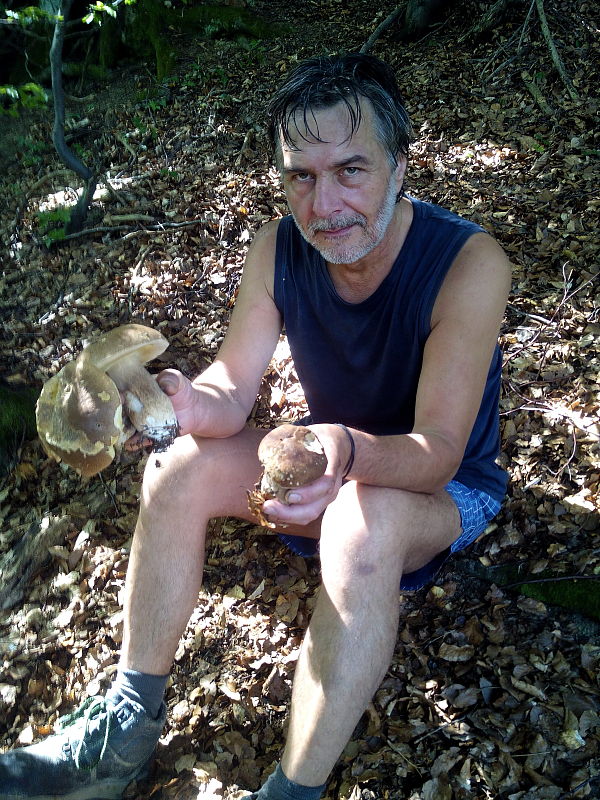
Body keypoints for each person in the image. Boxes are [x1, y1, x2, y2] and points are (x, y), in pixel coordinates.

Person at [0, 53, 511, 800]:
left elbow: (436, 455)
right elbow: (232, 388)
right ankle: (123, 731)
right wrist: (184, 402)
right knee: (174, 469)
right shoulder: (278, 248)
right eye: (300, 175)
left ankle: (291, 792)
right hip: (322, 455)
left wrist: (343, 453)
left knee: (361, 527)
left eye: (351, 170)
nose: (325, 203)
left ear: (402, 164)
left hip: (443, 489)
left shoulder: (468, 263)